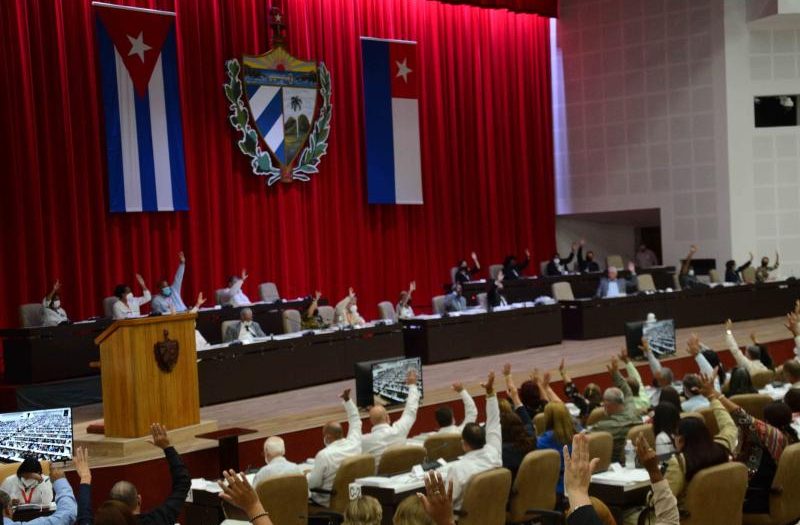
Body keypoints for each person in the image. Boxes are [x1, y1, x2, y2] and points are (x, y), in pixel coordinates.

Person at [438, 372, 501, 510]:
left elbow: (444, 505)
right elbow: (494, 423)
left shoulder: (457, 470)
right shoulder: (494, 453)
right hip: (493, 516)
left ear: (464, 444)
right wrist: (490, 392)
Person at [106, 424, 189, 525]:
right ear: (139, 500)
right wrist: (167, 447)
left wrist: (85, 479)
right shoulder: (158, 519)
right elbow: (183, 482)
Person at [307, 389, 362, 507]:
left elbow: (312, 485)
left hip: (329, 502)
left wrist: (306, 475)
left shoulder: (324, 455)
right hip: (354, 499)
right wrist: (348, 400)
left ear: (327, 437)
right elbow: (356, 421)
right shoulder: (355, 443)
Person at [362, 370, 420, 466]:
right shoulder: (399, 430)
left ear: (371, 421)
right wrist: (412, 386)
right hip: (403, 474)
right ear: (388, 418)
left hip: (378, 479)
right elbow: (411, 410)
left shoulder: (364, 441)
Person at [0, 464, 76, 525]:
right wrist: (60, 482)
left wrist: (41, 481)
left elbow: (47, 501)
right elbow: (67, 515)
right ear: (7, 510)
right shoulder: (9, 481)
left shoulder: (44, 480)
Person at [536, 391, 579, 496]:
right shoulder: (577, 435)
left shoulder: (544, 441)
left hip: (554, 489)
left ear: (548, 418)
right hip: (576, 485)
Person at [500, 366, 536, 478]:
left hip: (513, 492)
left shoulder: (501, 452)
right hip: (532, 485)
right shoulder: (531, 439)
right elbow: (526, 419)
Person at [590, 386, 641, 463]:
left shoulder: (602, 427)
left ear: (606, 404)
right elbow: (627, 391)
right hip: (637, 460)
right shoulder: (634, 413)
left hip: (614, 464)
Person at [641, 339, 675, 406]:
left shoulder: (662, 396)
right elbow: (657, 370)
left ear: (663, 381)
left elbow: (656, 370)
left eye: (658, 379)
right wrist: (648, 352)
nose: (656, 380)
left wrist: (649, 352)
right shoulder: (675, 389)